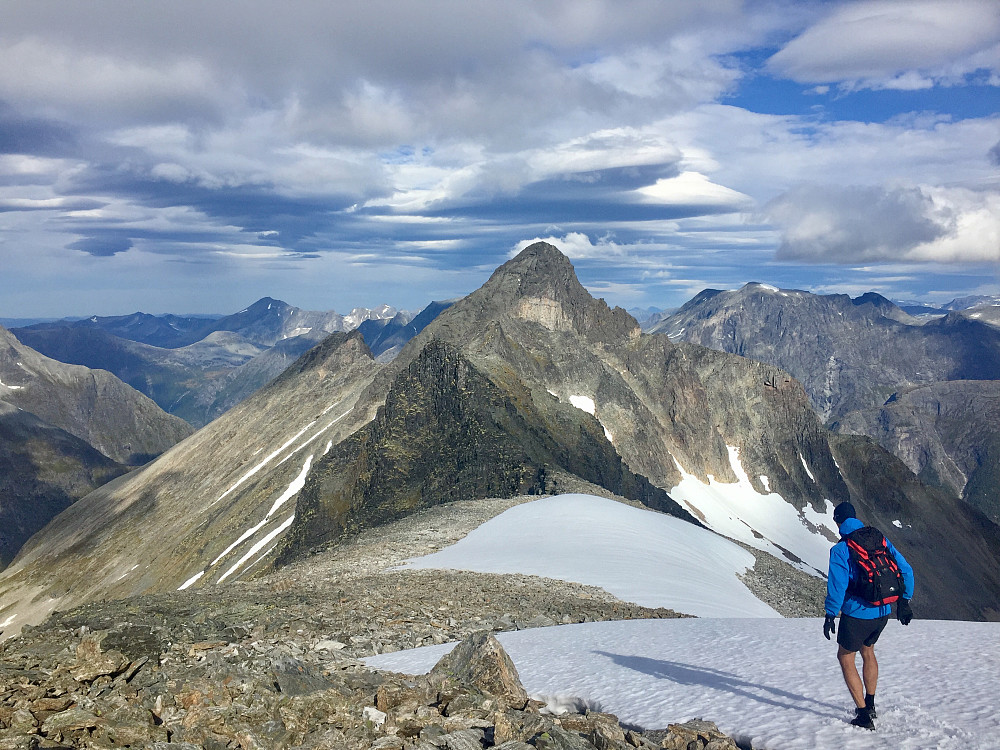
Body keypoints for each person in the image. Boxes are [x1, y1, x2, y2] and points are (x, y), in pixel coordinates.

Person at [824, 501, 914, 730]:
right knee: (868, 650)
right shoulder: (879, 539)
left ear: (837, 522)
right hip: (883, 611)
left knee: (845, 657)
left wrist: (830, 614)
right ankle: (871, 703)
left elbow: (838, 586)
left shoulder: (841, 549)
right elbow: (906, 569)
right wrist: (905, 600)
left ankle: (863, 715)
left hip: (857, 614)